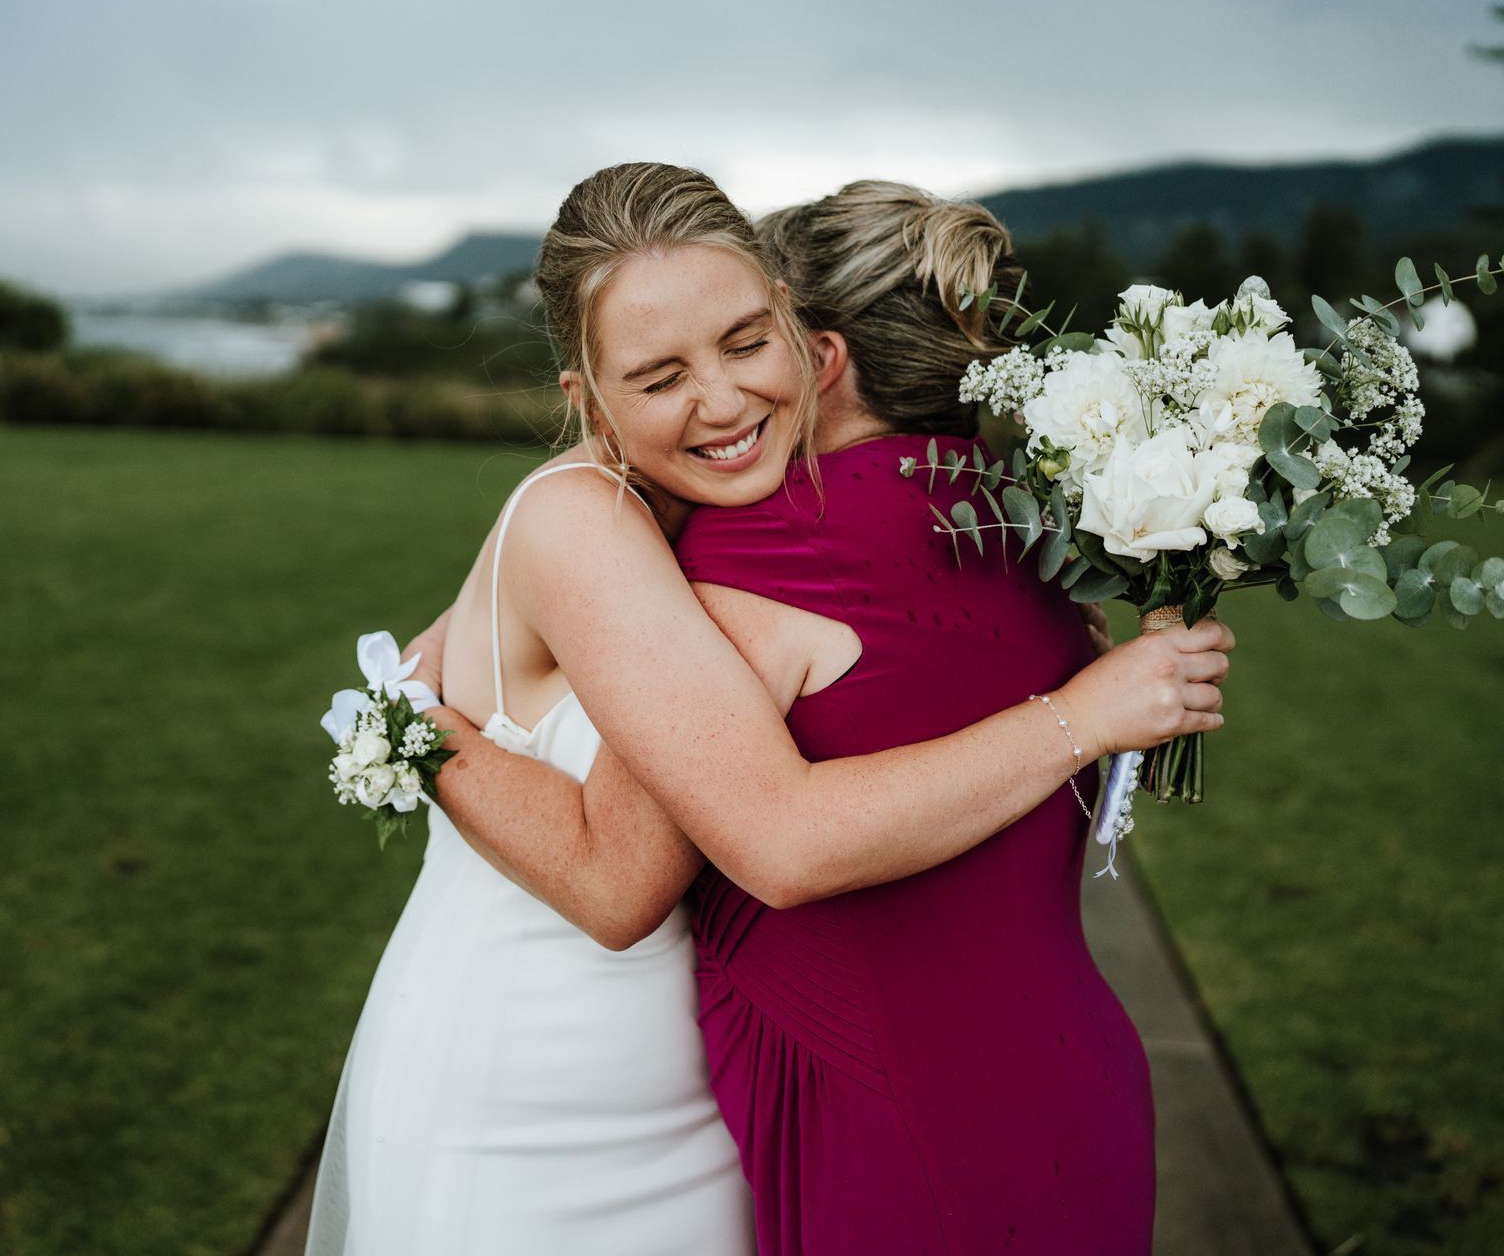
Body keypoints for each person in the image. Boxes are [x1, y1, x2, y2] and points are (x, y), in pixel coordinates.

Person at [306, 164, 1229, 1255]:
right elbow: (625, 881)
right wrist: (411, 721)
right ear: (588, 401)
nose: (724, 399)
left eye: (745, 342)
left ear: (803, 335)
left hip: (691, 1099)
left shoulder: (701, 528)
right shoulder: (590, 523)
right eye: (658, 375)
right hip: (544, 1090)